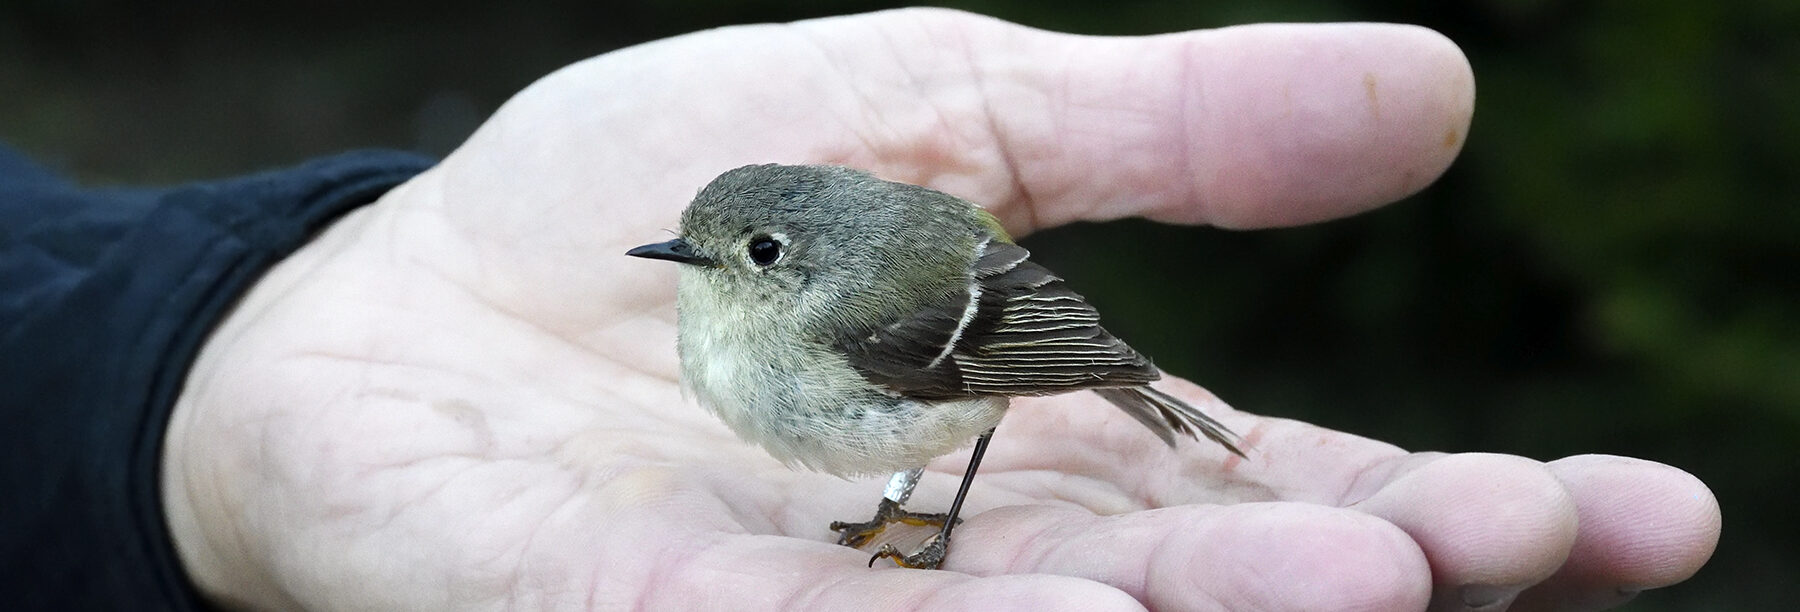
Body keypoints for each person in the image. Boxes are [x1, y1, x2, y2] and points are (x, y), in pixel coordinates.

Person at [2, 8, 1719, 611]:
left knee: (945, 469)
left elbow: (1011, 330)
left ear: (797, 267)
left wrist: (1108, 382)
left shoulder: (875, 303)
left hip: (988, 361)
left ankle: (923, 524)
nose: (703, 272)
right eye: (702, 246)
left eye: (735, 258)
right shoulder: (739, 308)